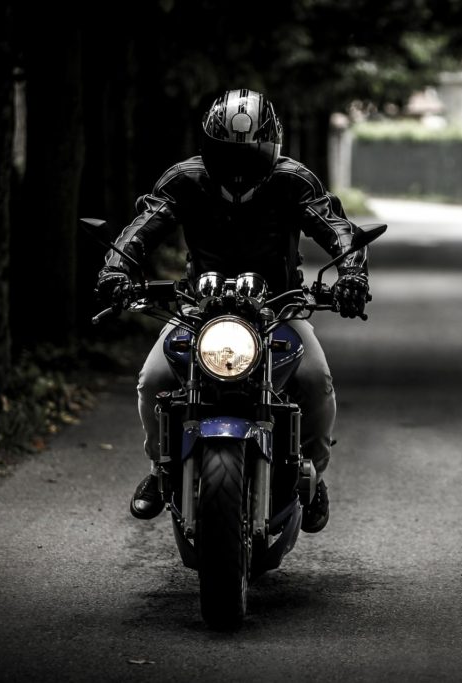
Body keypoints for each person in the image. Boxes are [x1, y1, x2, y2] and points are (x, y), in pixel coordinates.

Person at [95, 89, 370, 534]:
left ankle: (314, 474)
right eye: (227, 153)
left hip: (280, 308)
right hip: (197, 308)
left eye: (250, 153)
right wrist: (115, 269)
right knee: (154, 380)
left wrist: (352, 274)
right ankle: (161, 468)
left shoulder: (294, 181)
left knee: (315, 381)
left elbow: (336, 227)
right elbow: (141, 229)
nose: (239, 167)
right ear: (208, 146)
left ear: (271, 147)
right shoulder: (184, 180)